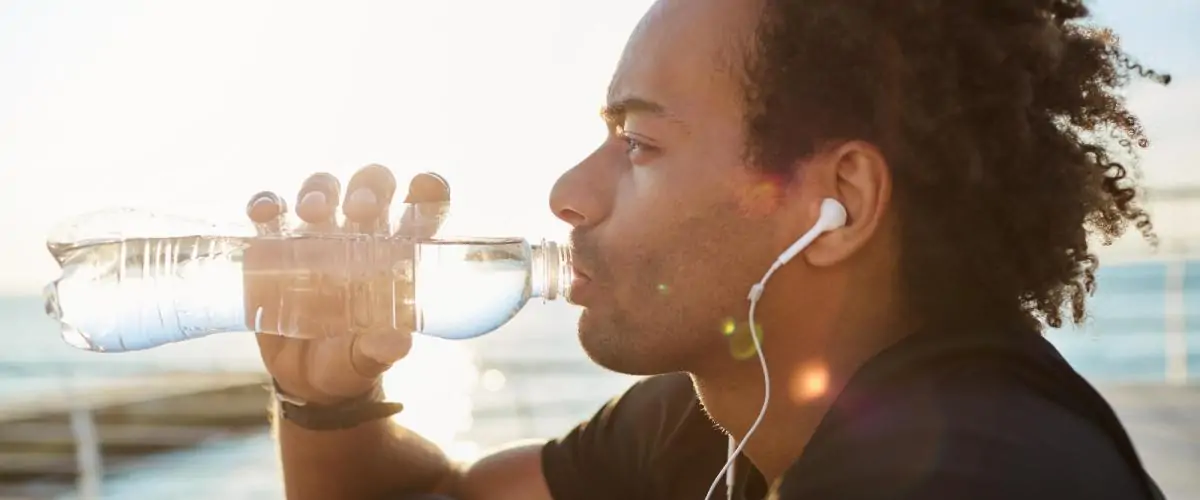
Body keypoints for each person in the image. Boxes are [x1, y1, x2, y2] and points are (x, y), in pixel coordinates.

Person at [244, 0, 1174, 498]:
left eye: (639, 144)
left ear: (837, 205)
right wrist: (328, 401)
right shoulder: (719, 413)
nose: (570, 194)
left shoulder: (975, 476)